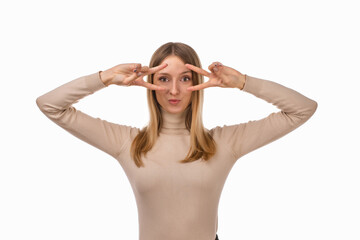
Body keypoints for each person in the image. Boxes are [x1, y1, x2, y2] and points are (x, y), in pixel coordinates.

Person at [36, 42, 317, 240]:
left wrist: (243, 81)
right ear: (149, 83)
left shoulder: (224, 143)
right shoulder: (129, 143)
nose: (173, 90)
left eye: (184, 78)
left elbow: (302, 109)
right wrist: (105, 77)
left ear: (197, 83)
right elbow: (50, 105)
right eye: (163, 78)